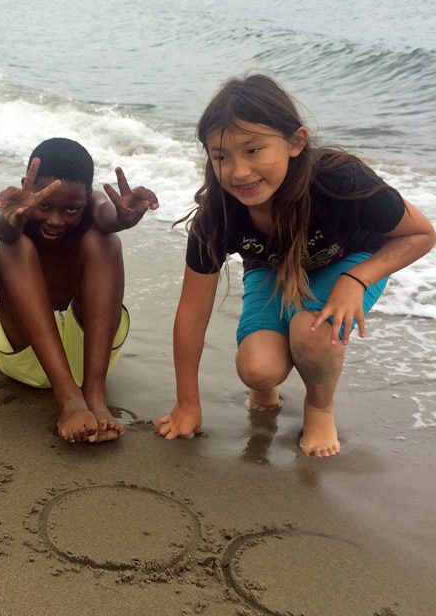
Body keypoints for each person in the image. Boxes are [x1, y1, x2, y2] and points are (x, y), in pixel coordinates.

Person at [155, 74, 435, 457]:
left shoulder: (339, 180)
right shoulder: (218, 214)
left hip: (351, 261)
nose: (239, 172)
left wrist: (357, 279)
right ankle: (265, 386)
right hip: (270, 267)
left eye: (253, 150)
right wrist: (187, 403)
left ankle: (319, 408)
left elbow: (420, 235)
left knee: (312, 332)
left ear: (295, 142)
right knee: (257, 368)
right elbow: (192, 312)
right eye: (221, 156)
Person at [0, 137, 158, 444]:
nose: (55, 220)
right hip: (25, 353)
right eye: (44, 206)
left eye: (71, 209)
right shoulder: (16, 203)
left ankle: (94, 396)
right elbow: (1, 227)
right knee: (12, 246)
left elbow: (106, 217)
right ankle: (68, 399)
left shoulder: (94, 205)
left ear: (86, 198)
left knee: (105, 240)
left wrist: (122, 218)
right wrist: (12, 219)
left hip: (89, 360)